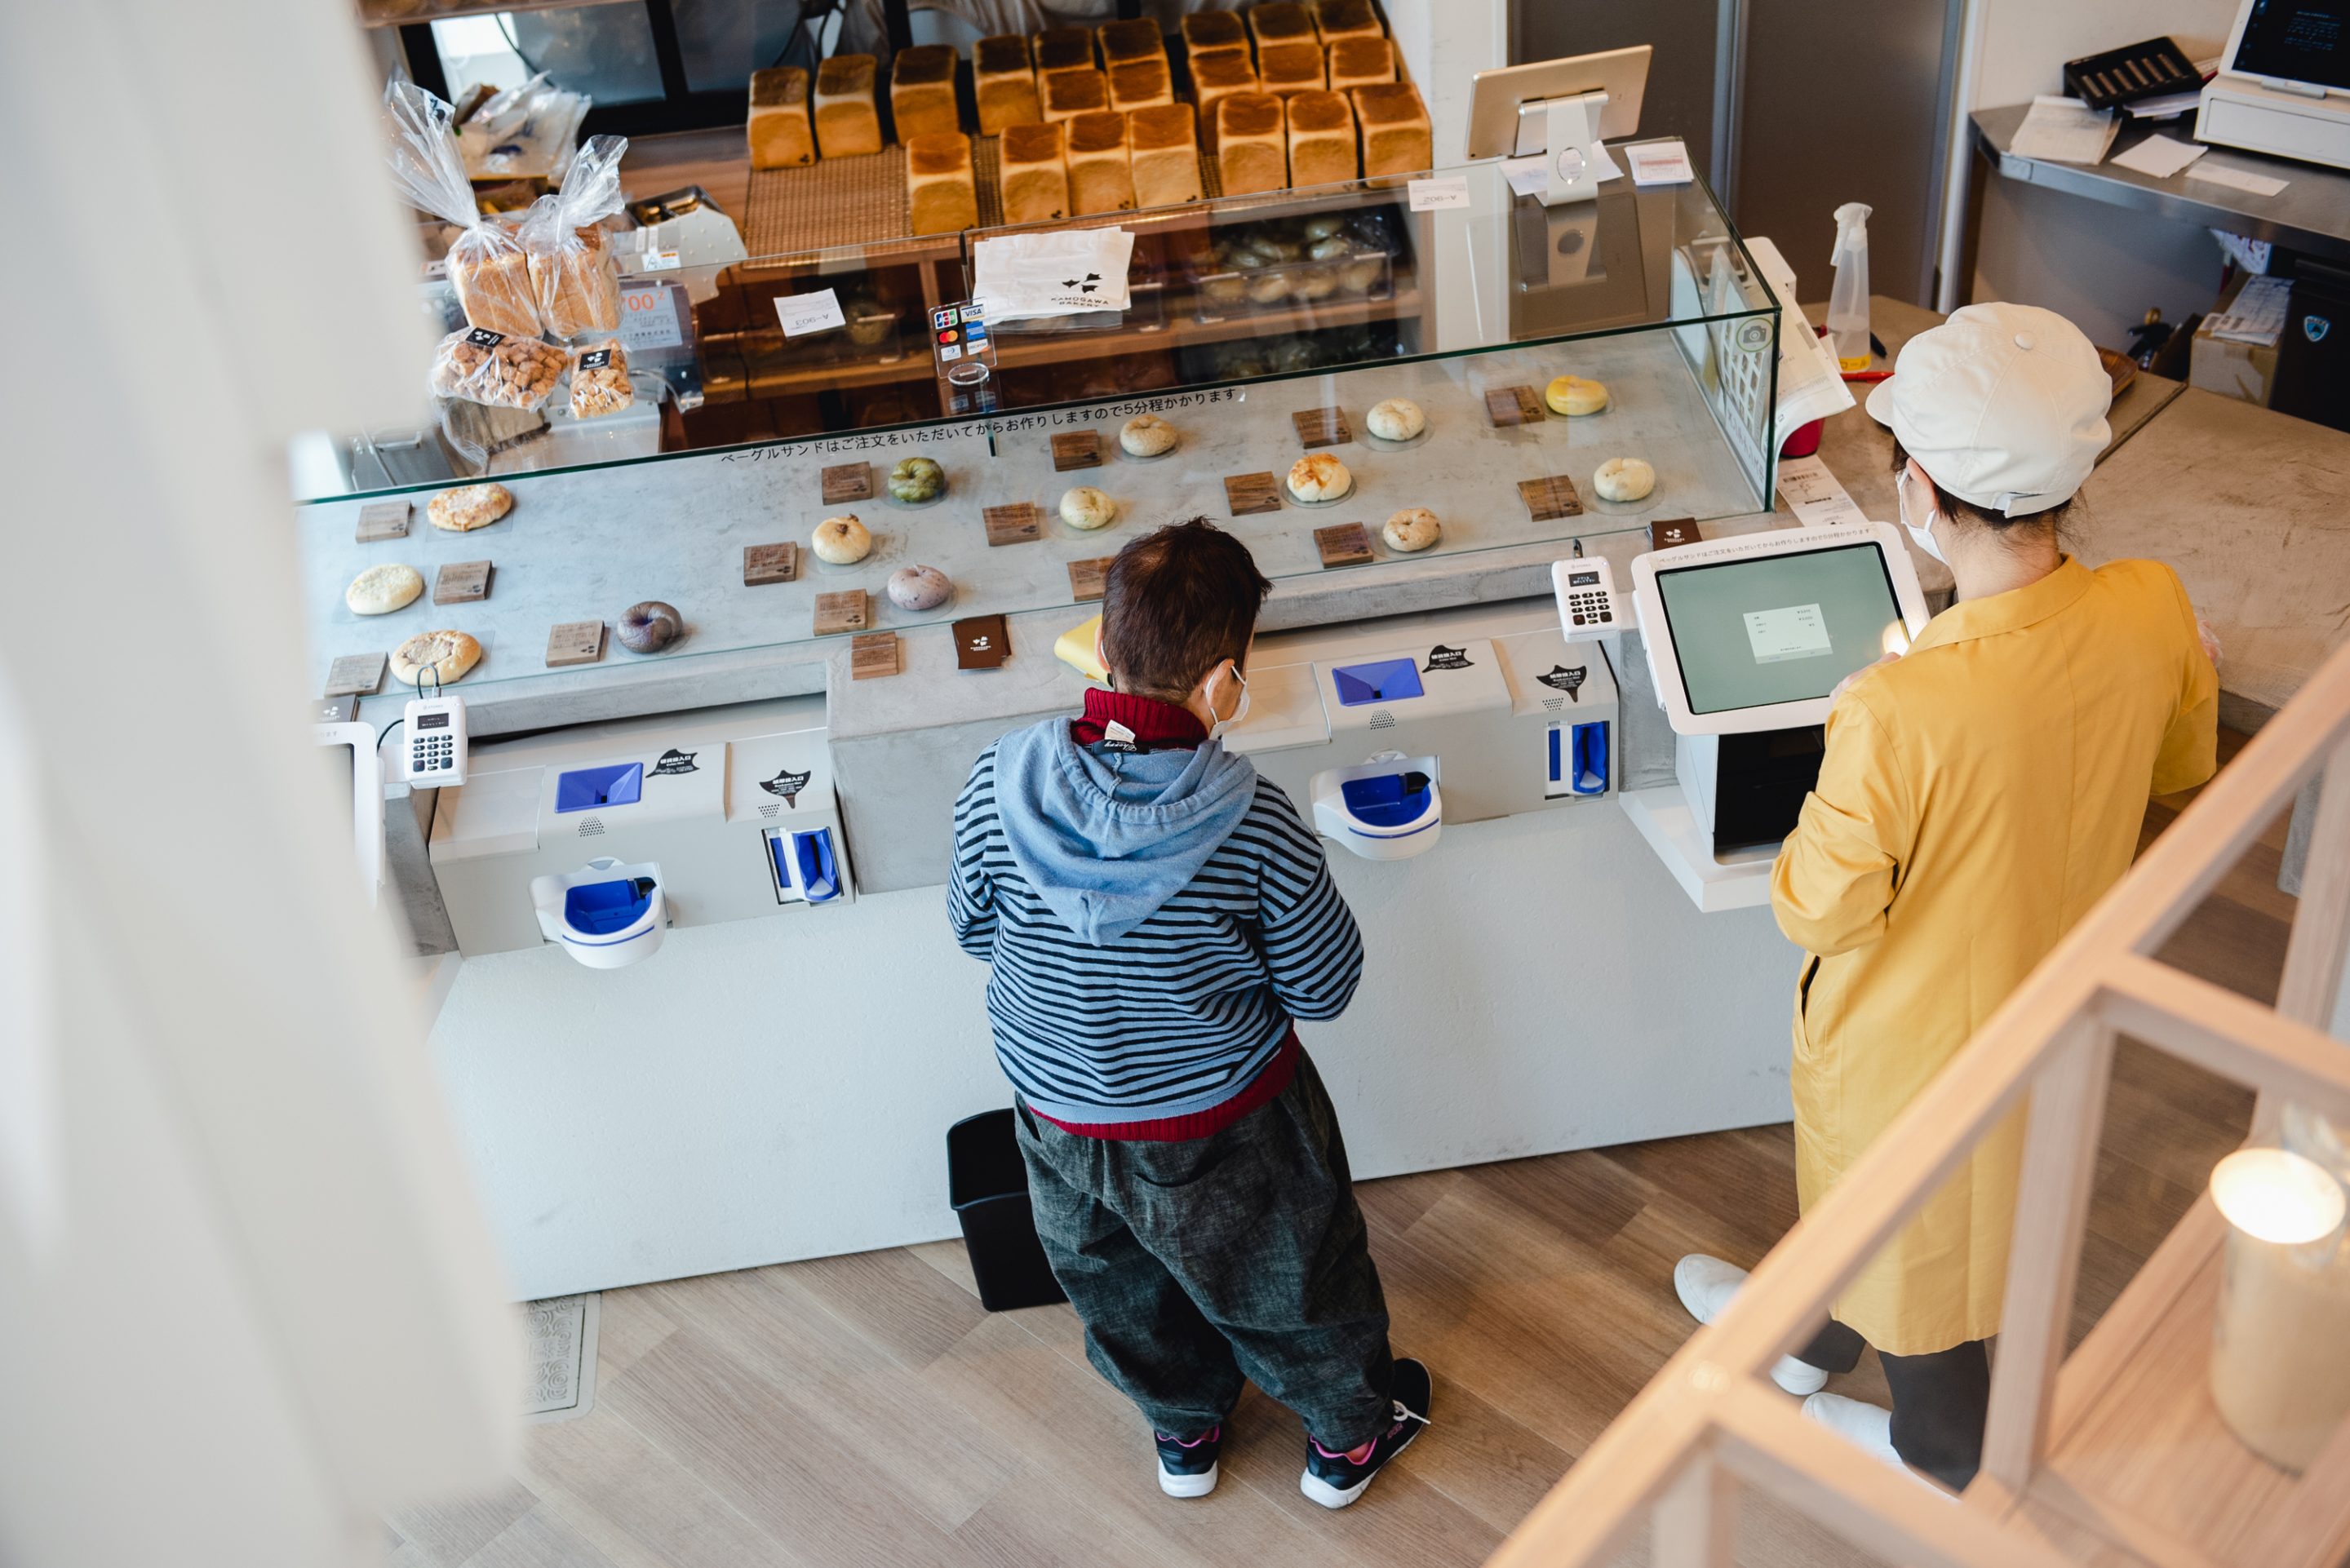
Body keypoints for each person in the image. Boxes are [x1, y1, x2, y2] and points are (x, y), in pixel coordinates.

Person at [1671, 303, 2219, 1492]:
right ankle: (1806, 1337)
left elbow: (1816, 910)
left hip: (1912, 1051)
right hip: (2057, 1005)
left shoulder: (1895, 706)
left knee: (1925, 1252)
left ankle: (1940, 1454)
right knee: (1894, 1218)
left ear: (1918, 488)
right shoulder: (2154, 601)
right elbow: (2180, 773)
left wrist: (1850, 733)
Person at [947, 517, 1432, 1508]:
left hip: (1059, 1111)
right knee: (1291, 1275)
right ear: (1224, 683)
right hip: (1228, 1118)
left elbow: (972, 928)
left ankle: (1185, 1428)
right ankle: (1346, 1438)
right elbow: (1324, 987)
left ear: (1102, 645)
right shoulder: (1253, 818)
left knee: (1114, 1281)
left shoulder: (997, 779)